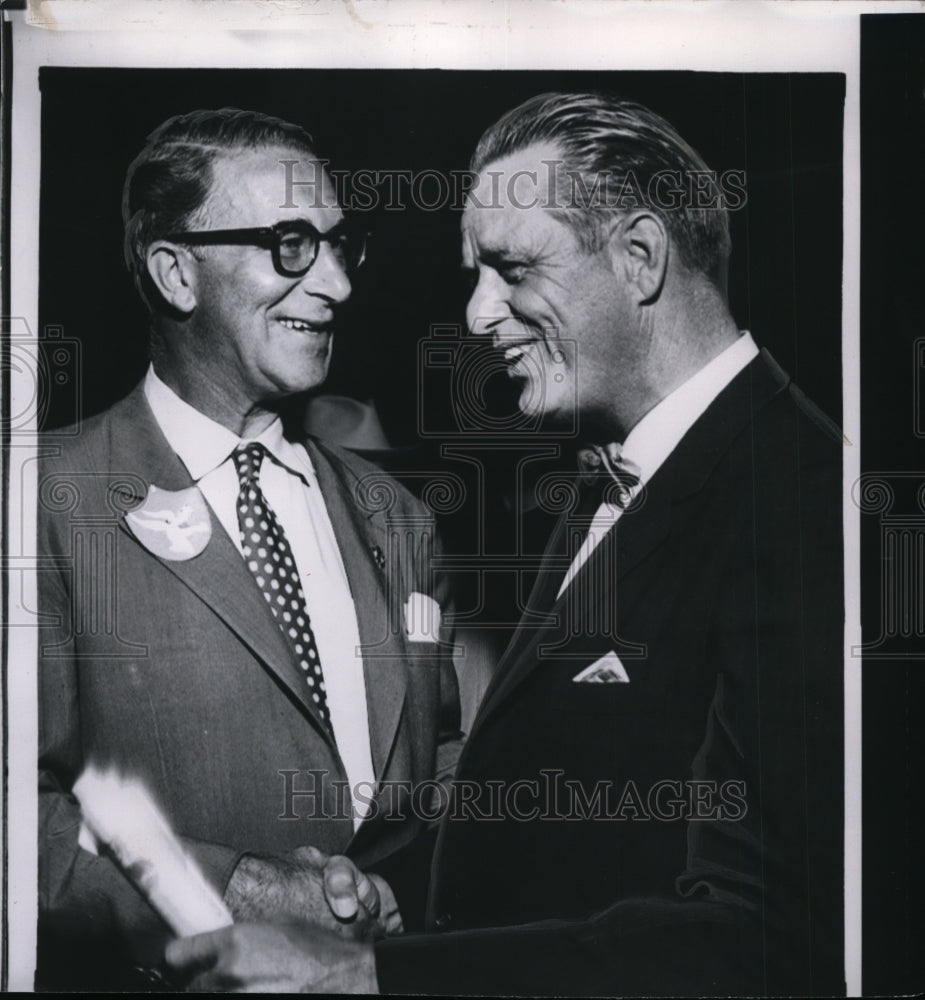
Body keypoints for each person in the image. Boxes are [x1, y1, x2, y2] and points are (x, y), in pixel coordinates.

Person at [165, 93, 845, 995]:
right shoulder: (610, 474)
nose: (480, 315)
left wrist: (372, 976)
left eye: (511, 268)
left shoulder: (805, 502)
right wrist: (379, 899)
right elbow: (565, 843)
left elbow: (765, 940)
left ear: (639, 258)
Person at [37, 108, 462, 988]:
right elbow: (18, 820)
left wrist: (392, 894)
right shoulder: (43, 500)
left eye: (341, 247)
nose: (336, 284)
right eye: (292, 244)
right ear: (175, 272)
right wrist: (241, 893)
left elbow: (445, 770)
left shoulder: (399, 519)